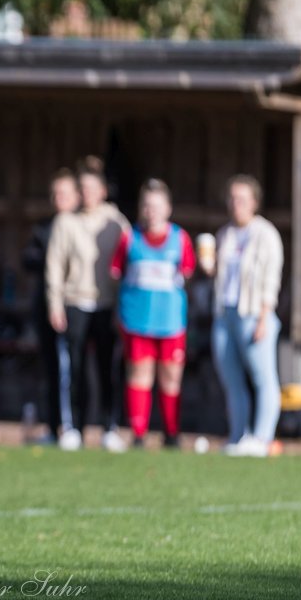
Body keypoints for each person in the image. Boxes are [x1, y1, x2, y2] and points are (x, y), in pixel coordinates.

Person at [45, 157, 129, 452]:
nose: (89, 194)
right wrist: (55, 303)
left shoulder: (116, 222)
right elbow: (55, 266)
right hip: (75, 302)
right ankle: (75, 427)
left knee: (108, 369)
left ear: (103, 191)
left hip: (106, 304)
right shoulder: (66, 222)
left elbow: (128, 262)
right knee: (75, 369)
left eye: (94, 188)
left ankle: (109, 426)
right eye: (83, 188)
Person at [111, 179, 195, 449]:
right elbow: (116, 272)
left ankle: (171, 432)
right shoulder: (129, 237)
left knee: (171, 377)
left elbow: (188, 272)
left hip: (170, 320)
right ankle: (139, 432)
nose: (151, 211)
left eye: (157, 206)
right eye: (147, 206)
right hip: (137, 319)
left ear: (168, 208)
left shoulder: (179, 239)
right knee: (139, 375)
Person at [208, 175, 284, 457]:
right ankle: (239, 435)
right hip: (225, 313)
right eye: (232, 198)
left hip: (253, 313)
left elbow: (271, 279)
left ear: (254, 202)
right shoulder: (225, 234)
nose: (235, 204)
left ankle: (262, 438)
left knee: (263, 377)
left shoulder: (266, 234)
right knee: (231, 378)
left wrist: (264, 316)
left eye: (241, 199)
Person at [22, 169, 77, 442]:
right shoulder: (44, 228)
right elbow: (28, 260)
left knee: (74, 369)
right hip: (46, 307)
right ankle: (53, 426)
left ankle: (76, 427)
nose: (60, 199)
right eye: (56, 194)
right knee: (51, 369)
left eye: (65, 193)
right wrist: (52, 257)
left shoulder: (81, 226)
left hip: (77, 305)